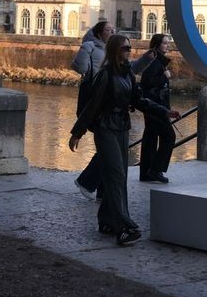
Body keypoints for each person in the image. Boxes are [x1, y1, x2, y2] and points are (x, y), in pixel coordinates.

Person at [68, 34, 179, 246]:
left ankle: (107, 220)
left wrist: (164, 111)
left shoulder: (128, 72)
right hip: (105, 128)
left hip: (121, 127)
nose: (129, 51)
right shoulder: (105, 75)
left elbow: (139, 100)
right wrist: (77, 132)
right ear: (115, 51)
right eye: (125, 48)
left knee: (120, 175)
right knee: (116, 175)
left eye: (129, 48)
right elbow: (92, 106)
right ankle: (123, 227)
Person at [69, 19, 112, 199]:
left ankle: (102, 190)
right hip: (95, 99)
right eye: (109, 30)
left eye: (113, 30)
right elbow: (79, 67)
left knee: (107, 148)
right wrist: (85, 49)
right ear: (99, 33)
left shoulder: (112, 50)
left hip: (108, 102)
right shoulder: (90, 47)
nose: (112, 32)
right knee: (107, 148)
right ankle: (86, 182)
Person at [134, 34, 175, 183]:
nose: (167, 45)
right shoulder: (154, 62)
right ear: (157, 45)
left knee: (150, 138)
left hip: (154, 107)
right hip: (156, 107)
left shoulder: (158, 61)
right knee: (169, 137)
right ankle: (156, 170)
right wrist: (165, 77)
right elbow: (147, 82)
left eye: (167, 43)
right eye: (164, 43)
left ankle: (146, 172)